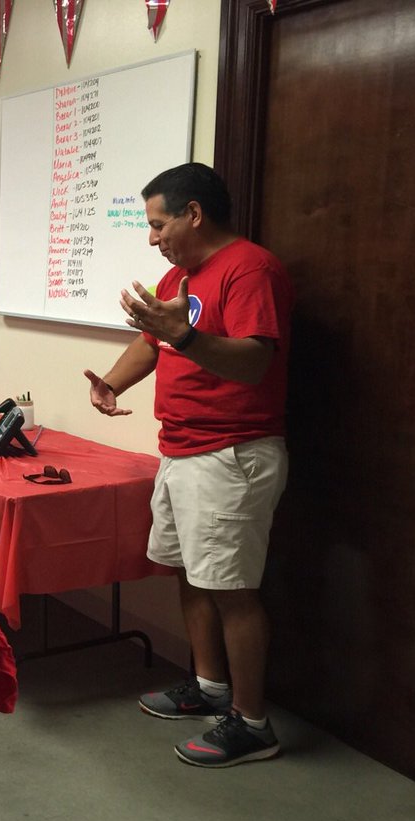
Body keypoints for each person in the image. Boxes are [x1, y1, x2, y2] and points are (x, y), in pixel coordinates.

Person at [84, 162, 293, 768]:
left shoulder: (251, 269)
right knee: (191, 575)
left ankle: (252, 724)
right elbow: (151, 341)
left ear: (193, 214)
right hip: (180, 449)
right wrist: (111, 384)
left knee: (232, 590)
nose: (153, 238)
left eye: (158, 224)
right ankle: (210, 688)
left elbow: (254, 361)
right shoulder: (180, 275)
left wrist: (187, 337)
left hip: (231, 454)